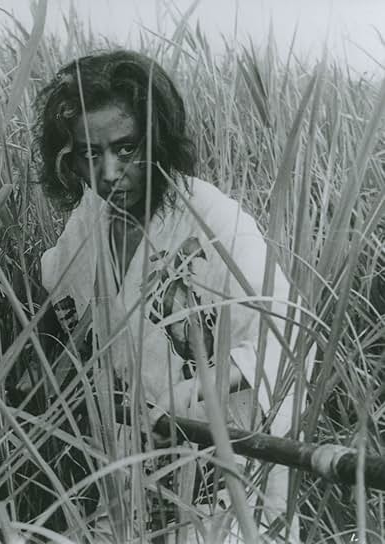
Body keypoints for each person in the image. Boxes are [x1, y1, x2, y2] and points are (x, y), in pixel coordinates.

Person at [34, 50, 309, 542]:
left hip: (224, 468)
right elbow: (55, 283)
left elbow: (286, 337)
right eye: (90, 154)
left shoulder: (213, 220)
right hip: (131, 462)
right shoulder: (88, 221)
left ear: (156, 143)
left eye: (127, 149)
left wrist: (197, 388)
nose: (109, 174)